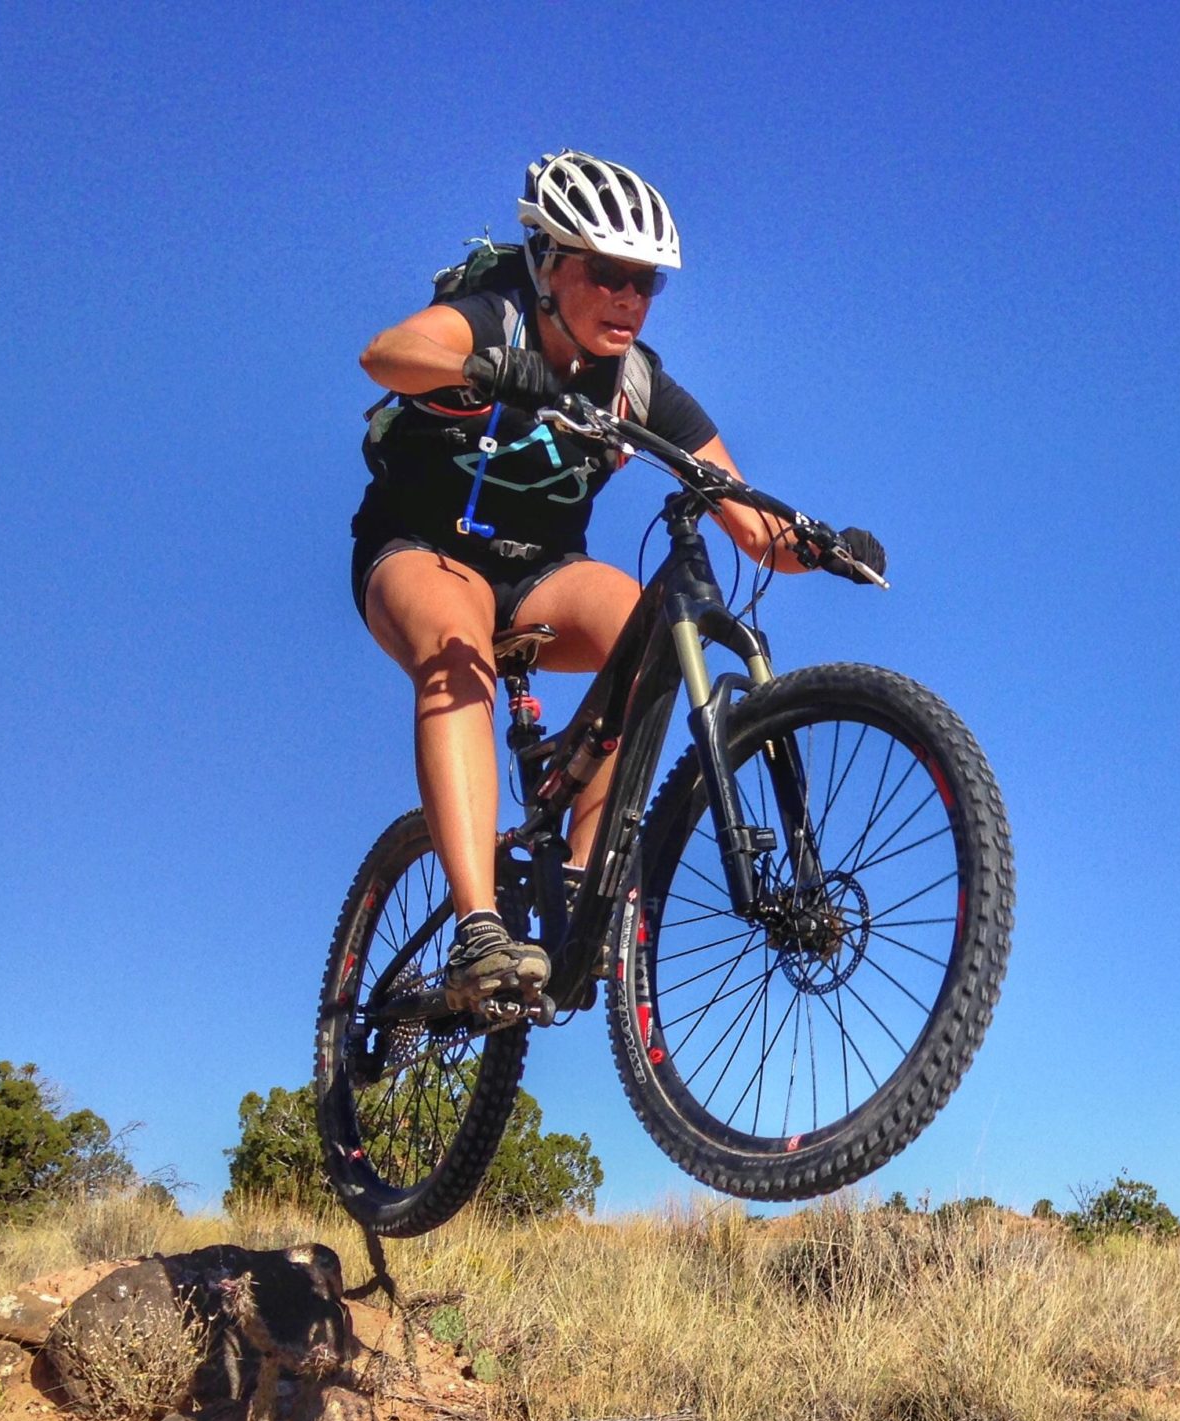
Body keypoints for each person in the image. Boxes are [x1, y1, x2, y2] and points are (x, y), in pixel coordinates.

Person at [352, 151, 877, 1011]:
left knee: (649, 634)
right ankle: (480, 927)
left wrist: (821, 544)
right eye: (611, 274)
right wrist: (482, 368)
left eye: (649, 283)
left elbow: (750, 523)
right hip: (421, 549)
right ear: (550, 266)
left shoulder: (638, 384)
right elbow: (388, 354)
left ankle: (573, 890)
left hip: (542, 576)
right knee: (458, 655)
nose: (631, 298)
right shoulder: (496, 317)